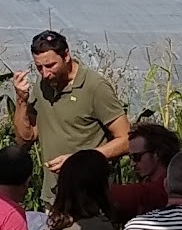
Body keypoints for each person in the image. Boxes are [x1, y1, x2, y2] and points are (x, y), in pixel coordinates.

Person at [10, 29, 130, 175]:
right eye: (39, 68)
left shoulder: (95, 87)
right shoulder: (41, 86)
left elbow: (126, 140)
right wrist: (21, 100)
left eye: (50, 65)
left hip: (88, 192)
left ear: (66, 56)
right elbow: (25, 140)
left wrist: (78, 160)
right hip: (53, 194)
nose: (45, 74)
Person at [109, 119, 180, 220]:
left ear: (157, 154)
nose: (133, 164)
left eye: (137, 157)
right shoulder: (148, 181)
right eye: (131, 158)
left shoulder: (174, 183)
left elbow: (143, 194)